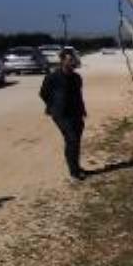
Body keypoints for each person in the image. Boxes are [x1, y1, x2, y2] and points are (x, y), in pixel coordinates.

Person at [39, 48, 87, 180]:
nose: (73, 62)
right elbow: (43, 93)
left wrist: (82, 111)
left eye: (74, 59)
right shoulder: (52, 77)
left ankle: (76, 166)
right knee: (72, 139)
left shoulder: (77, 78)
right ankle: (73, 173)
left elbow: (79, 95)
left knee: (75, 141)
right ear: (62, 61)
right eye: (70, 59)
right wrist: (54, 105)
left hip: (76, 113)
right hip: (61, 114)